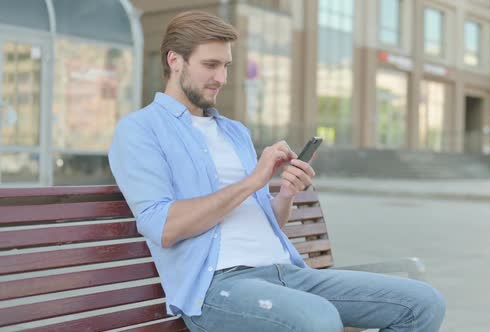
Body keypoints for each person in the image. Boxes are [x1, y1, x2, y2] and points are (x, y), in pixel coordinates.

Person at [109, 10, 445, 332]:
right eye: (210, 65)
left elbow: (263, 220)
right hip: (217, 288)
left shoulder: (234, 131)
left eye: (226, 66)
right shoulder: (140, 130)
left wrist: (284, 194)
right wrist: (254, 179)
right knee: (319, 319)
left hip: (286, 272)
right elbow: (163, 227)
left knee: (423, 303)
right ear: (174, 60)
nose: (221, 78)